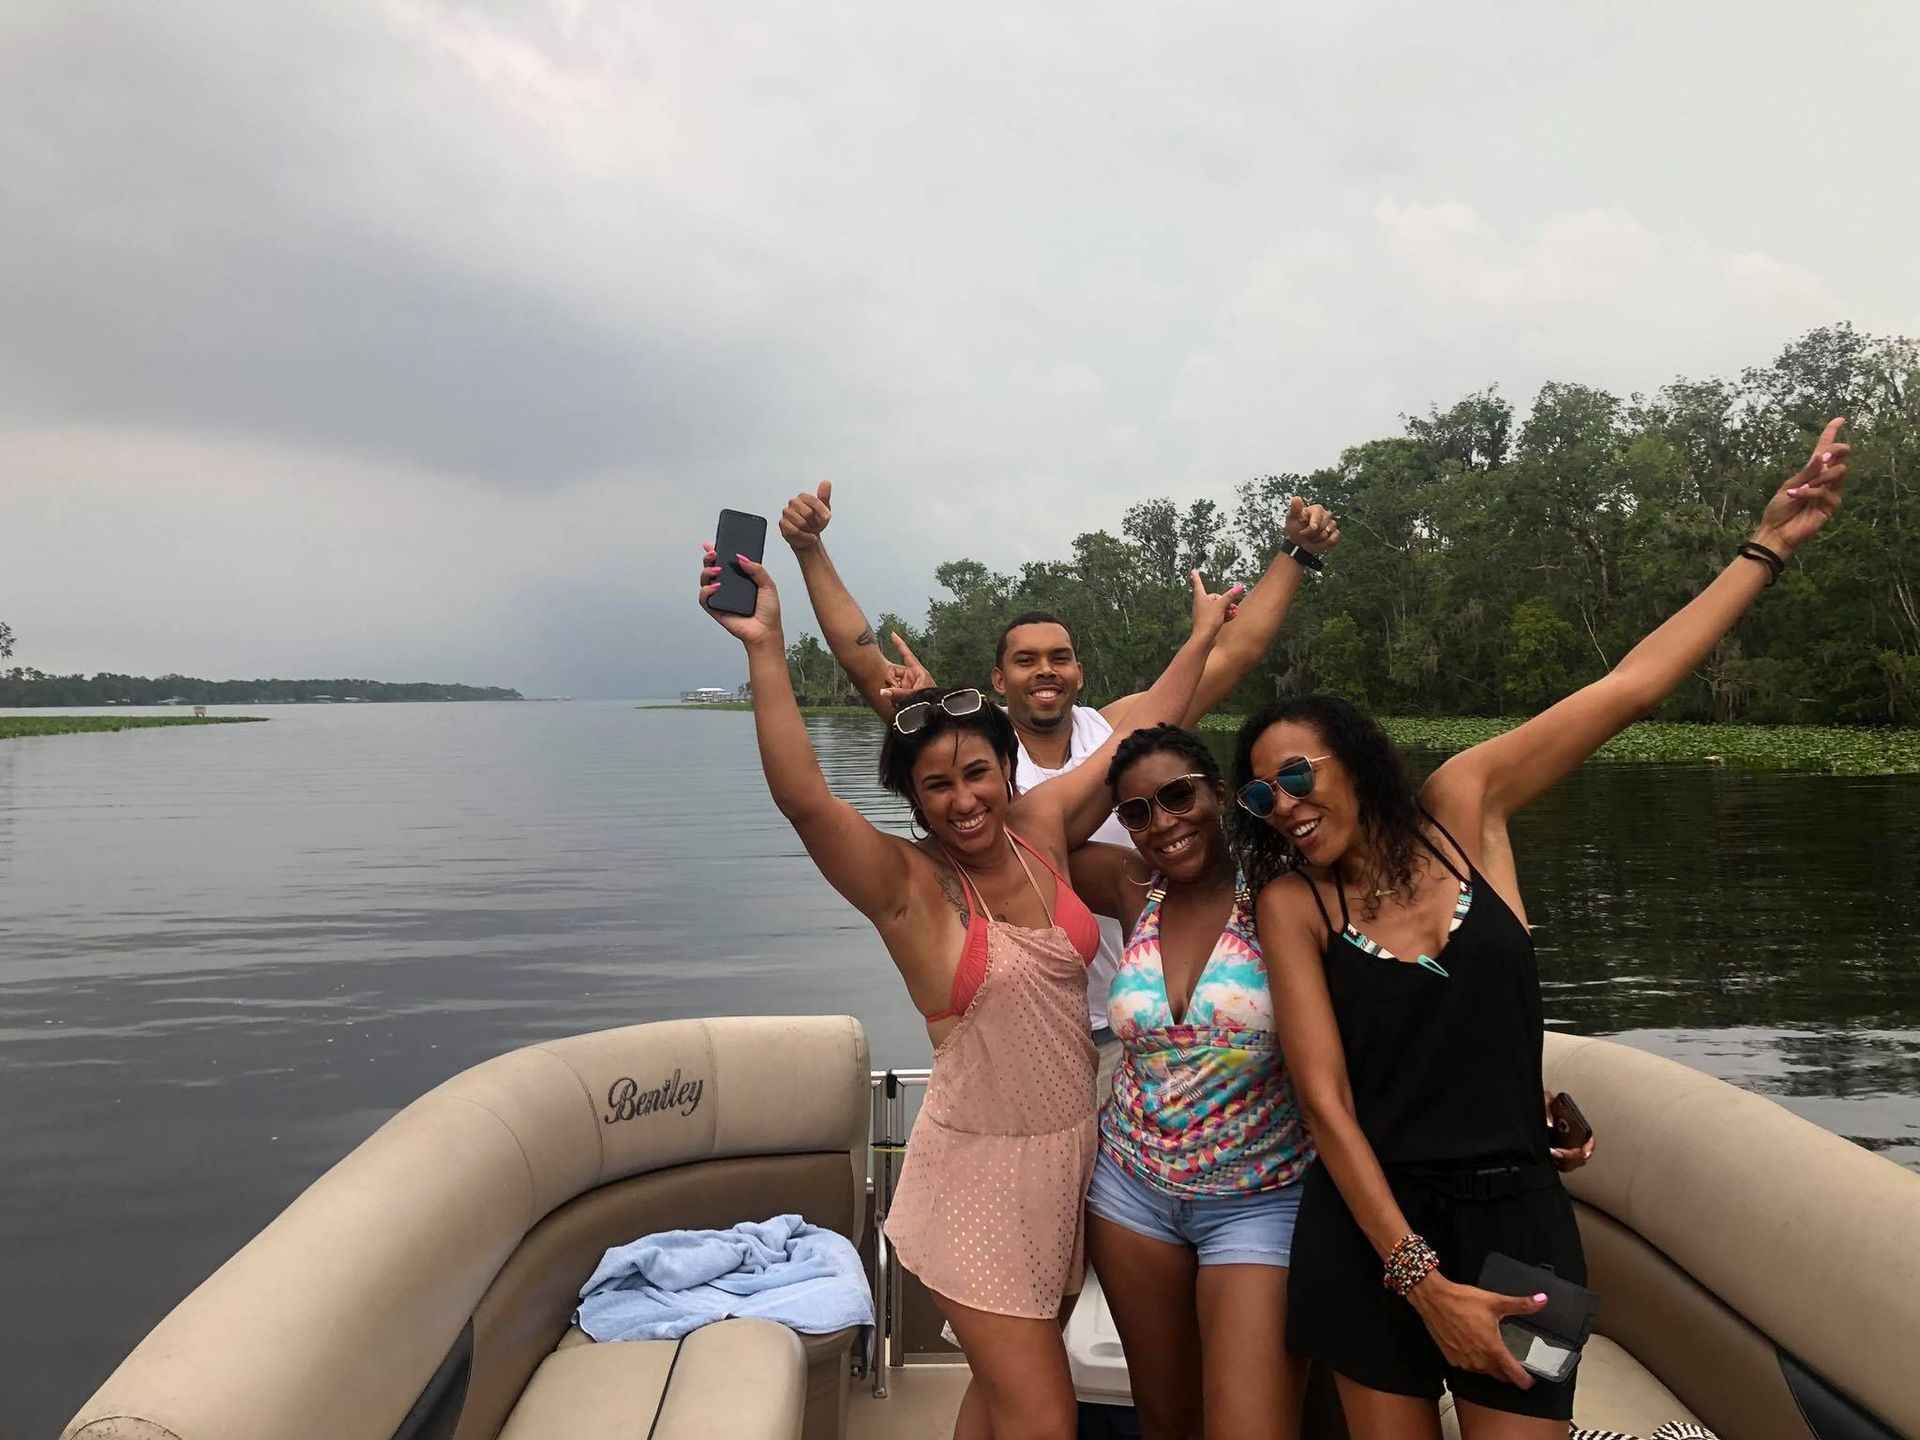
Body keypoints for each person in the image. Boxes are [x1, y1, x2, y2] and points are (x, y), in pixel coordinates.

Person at [1235, 421, 1852, 1439]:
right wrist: (1418, 1277)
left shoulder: (1465, 807)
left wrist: (1769, 545)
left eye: (1297, 774)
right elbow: (1325, 1103)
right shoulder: (1297, 903)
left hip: (1525, 1226)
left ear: (1355, 757)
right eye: (1261, 796)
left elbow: (1630, 688)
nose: (1283, 804)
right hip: (1369, 1237)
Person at [699, 540, 1244, 1440]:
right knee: (1043, 1415)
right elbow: (804, 800)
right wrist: (765, 648)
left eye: (977, 774)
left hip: (1073, 1158)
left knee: (995, 1399)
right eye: (937, 787)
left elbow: (1140, 741)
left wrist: (1200, 639)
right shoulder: (910, 888)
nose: (964, 801)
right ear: (915, 804)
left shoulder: (1041, 828)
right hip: (982, 1177)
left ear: (1006, 771)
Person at [778, 481, 1340, 1097]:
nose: (1044, 670)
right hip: (1035, 1027)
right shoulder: (972, 760)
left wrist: (1296, 554)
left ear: (1078, 671)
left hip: (1145, 1014)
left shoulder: (1119, 735)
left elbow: (1235, 652)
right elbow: (864, 663)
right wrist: (811, 550)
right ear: (998, 678)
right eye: (1025, 660)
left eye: (1059, 657)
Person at [1067, 723, 1318, 1440]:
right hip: (1130, 1193)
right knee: (1167, 1420)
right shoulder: (1130, 882)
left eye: (1179, 796)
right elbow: (1032, 834)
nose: (1163, 825)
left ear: (1219, 792)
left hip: (1261, 1199)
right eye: (1137, 812)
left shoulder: (1281, 887)